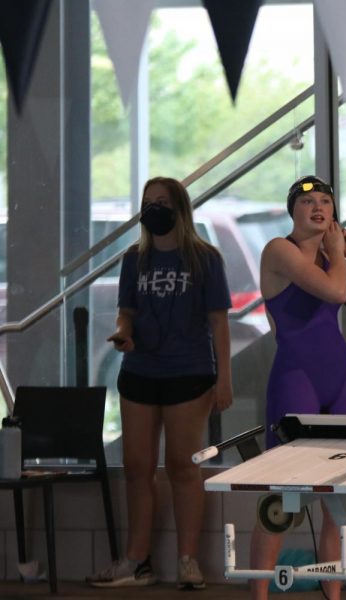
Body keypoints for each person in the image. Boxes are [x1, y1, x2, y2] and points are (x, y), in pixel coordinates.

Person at [88, 176, 233, 590]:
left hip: (189, 373)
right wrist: (123, 332)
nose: (153, 208)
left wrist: (224, 378)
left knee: (183, 467)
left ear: (180, 208)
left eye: (161, 201)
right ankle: (137, 561)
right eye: (148, 201)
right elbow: (126, 311)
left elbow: (219, 322)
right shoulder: (136, 258)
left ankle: (189, 560)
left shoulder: (205, 258)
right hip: (139, 372)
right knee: (137, 467)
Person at [250, 175, 346, 600]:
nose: (318, 208)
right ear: (292, 210)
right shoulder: (280, 251)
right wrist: (335, 258)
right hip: (297, 381)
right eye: (308, 202)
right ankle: (257, 595)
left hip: (339, 381)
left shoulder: (336, 263)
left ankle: (334, 593)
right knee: (282, 497)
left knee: (339, 498)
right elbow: (331, 291)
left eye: (326, 201)